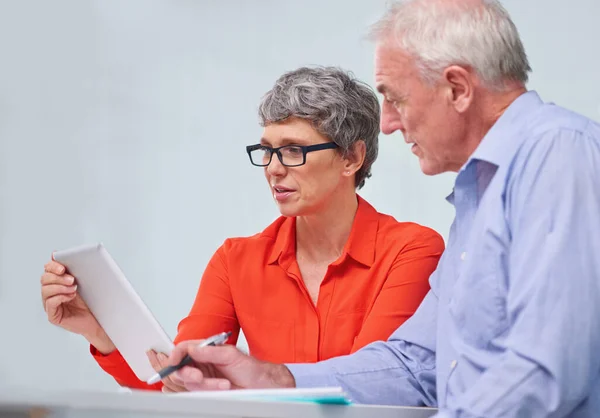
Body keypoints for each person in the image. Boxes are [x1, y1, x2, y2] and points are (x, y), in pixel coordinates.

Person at [161, 0, 600, 416]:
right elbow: (417, 365)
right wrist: (276, 378)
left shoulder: (558, 153)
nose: (387, 123)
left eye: (396, 98)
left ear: (458, 88)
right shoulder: (479, 194)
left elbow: (547, 371)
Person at [40, 66, 445, 392]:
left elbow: (375, 383)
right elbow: (180, 384)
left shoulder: (413, 251)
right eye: (266, 150)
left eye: (293, 150)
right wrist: (101, 333)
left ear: (351, 157)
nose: (273, 167)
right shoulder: (236, 260)